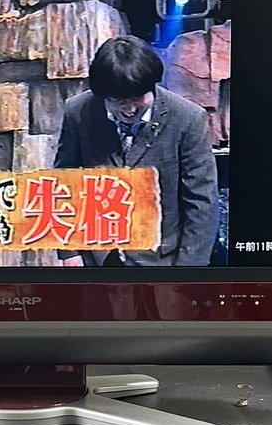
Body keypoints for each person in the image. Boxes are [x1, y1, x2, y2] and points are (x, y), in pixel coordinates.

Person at [54, 35, 217, 266]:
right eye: (117, 101)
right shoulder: (78, 111)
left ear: (152, 87)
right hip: (97, 256)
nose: (129, 110)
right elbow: (63, 183)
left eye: (137, 99)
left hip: (162, 260)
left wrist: (186, 275)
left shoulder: (188, 118)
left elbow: (201, 203)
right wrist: (69, 253)